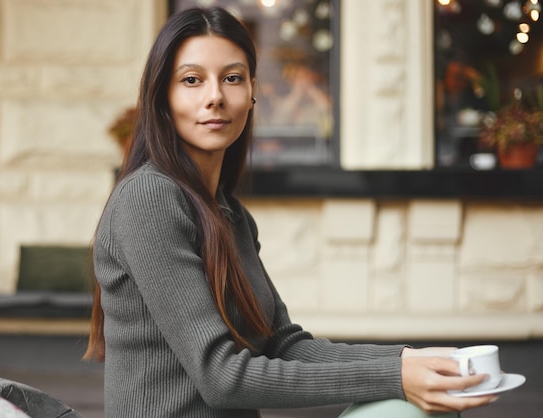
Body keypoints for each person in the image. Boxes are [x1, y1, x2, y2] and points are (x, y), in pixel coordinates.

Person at [84, 6, 497, 417]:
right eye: (191, 80)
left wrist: (407, 362)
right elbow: (221, 377)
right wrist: (394, 378)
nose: (215, 97)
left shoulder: (232, 216)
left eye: (232, 78)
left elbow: (283, 344)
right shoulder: (148, 199)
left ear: (251, 92)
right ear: (162, 98)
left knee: (419, 407)